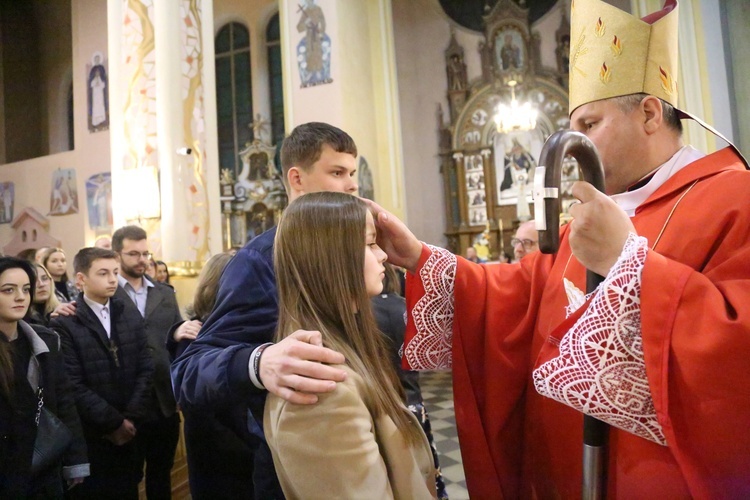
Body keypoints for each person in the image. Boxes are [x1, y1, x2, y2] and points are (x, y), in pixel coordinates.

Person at [362, 0, 750, 497]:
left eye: (589, 125)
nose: (576, 144)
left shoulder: (732, 198)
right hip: (563, 471)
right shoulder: (595, 215)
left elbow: (734, 357)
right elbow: (521, 293)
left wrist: (627, 263)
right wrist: (419, 256)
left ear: (650, 113)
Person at [171, 122, 359, 498]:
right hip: (290, 458)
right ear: (297, 178)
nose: (352, 185)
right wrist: (258, 362)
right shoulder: (260, 260)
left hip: (351, 444)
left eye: (353, 173)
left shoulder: (355, 247)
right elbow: (188, 372)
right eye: (337, 173)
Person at [264, 191, 436, 498]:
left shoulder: (349, 350)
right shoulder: (323, 391)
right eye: (370, 244)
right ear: (333, 259)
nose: (383, 254)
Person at [51, 248, 153, 499]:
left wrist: (129, 419)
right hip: (93, 434)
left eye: (115, 273)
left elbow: (145, 367)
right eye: (103, 273)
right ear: (81, 279)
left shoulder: (128, 313)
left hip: (130, 430)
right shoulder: (66, 322)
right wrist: (114, 423)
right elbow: (72, 383)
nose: (111, 279)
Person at [166, 252, 257, 499]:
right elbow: (203, 415)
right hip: (223, 464)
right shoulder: (194, 334)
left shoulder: (245, 325)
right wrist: (256, 450)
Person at [0, 257, 89, 498]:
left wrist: (76, 461)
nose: (20, 297)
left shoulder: (44, 340)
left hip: (43, 465)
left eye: (25, 289)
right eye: (8, 290)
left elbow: (64, 402)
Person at [112, 226, 184, 499]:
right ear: (117, 255)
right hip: (126, 399)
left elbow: (178, 342)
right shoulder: (107, 293)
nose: (141, 259)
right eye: (133, 254)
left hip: (164, 398)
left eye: (145, 253)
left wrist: (179, 385)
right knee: (127, 476)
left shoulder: (165, 293)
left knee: (161, 472)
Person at [372, 263, 448, 499]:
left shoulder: (363, 313)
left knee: (398, 481)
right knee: (426, 471)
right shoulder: (409, 308)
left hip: (384, 408)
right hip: (414, 402)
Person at [26, 262, 60, 327]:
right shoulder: (23, 320)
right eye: (34, 280)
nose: (41, 284)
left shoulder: (62, 310)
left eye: (44, 278)